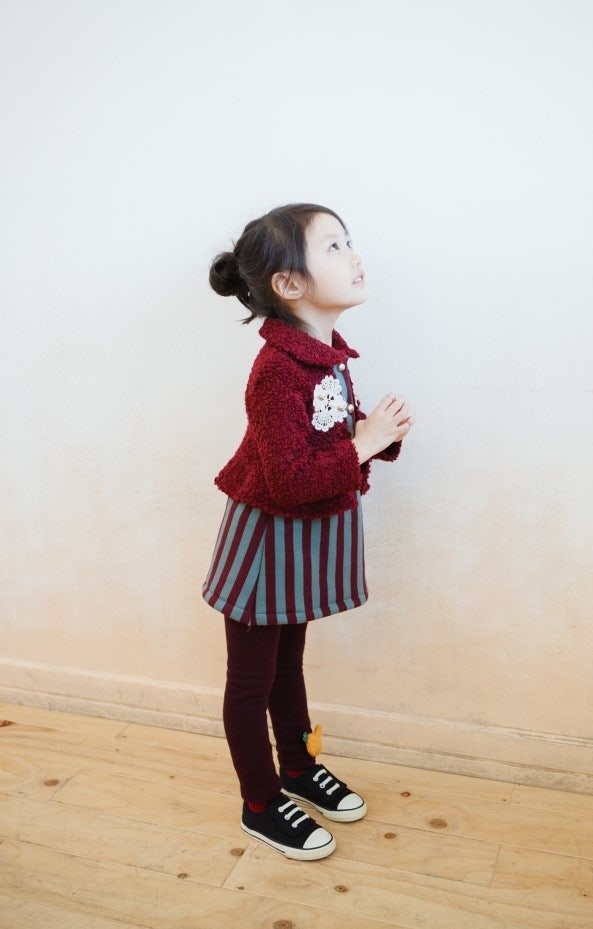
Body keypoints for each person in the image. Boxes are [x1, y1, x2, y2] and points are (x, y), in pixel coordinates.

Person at [203, 203, 414, 860]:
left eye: (348, 242)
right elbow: (291, 477)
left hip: (298, 541)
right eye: (333, 247)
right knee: (251, 680)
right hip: (265, 543)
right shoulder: (276, 369)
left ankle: (296, 766)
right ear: (289, 283)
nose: (354, 256)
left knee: (287, 664)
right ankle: (259, 801)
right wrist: (365, 442)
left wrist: (375, 436)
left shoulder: (325, 357)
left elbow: (331, 435)